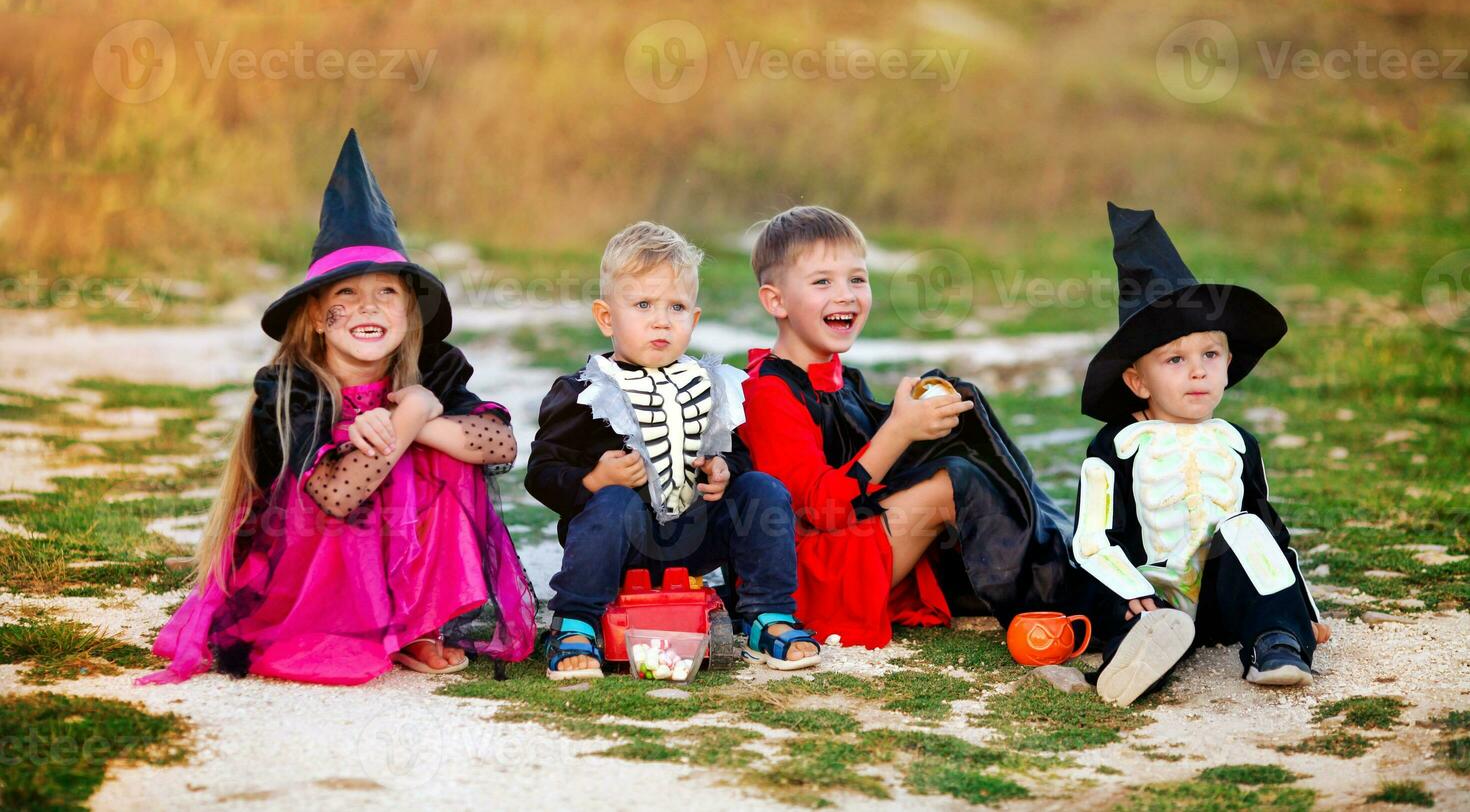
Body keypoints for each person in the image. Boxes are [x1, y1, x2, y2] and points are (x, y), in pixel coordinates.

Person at [140, 130, 536, 685]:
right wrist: (403, 422)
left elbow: (501, 446)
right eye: (344, 295)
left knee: (449, 453)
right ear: (315, 315)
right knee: (370, 474)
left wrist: (420, 412)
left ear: (409, 313)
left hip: (391, 516)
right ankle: (361, 627)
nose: (366, 306)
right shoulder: (292, 387)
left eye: (387, 293)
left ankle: (412, 626)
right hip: (307, 566)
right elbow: (336, 495)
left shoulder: (431, 367)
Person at [738, 206, 1076, 649]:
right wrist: (897, 430)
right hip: (813, 574)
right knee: (951, 482)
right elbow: (820, 512)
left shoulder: (839, 377)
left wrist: (925, 417)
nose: (846, 295)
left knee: (959, 402)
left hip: (860, 541)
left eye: (857, 279)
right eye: (823, 281)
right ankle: (1075, 600)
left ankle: (1068, 551)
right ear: (775, 301)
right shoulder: (769, 391)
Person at [526, 221, 819, 678]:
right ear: (606, 317)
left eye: (676, 307)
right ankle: (576, 621)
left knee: (762, 488)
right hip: (619, 548)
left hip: (696, 537)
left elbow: (739, 455)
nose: (661, 320)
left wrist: (725, 469)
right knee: (614, 501)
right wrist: (591, 481)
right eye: (642, 305)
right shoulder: (584, 391)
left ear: (694, 319)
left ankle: (768, 613)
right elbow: (541, 471)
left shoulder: (711, 385)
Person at [1072, 202, 1329, 707]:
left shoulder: (1236, 442)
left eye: (1210, 355)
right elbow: (1091, 537)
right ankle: (1141, 657)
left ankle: (1276, 643)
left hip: (1220, 598)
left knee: (1247, 528)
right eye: (1175, 359)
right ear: (1136, 380)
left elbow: (1271, 535)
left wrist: (1306, 610)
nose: (1197, 372)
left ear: (1229, 364)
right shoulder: (1117, 445)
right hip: (1147, 590)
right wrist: (1127, 589)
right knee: (1127, 611)